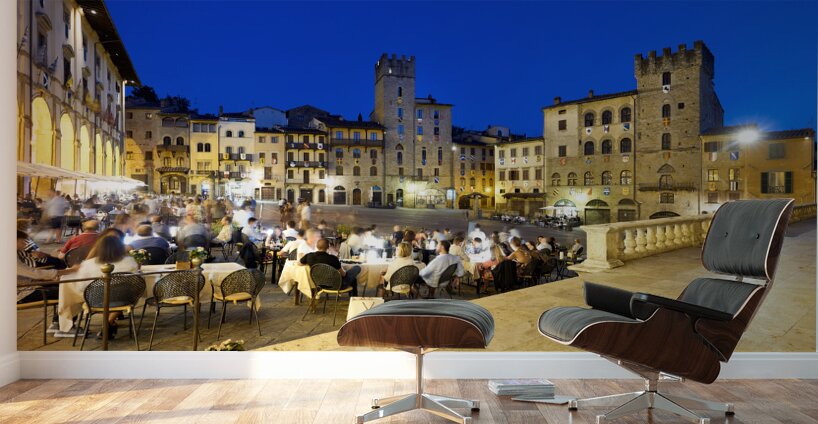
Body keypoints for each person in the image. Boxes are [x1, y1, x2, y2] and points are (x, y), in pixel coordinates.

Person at [58, 231, 139, 337]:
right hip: (123, 299)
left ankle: (107, 323)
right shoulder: (130, 262)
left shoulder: (88, 265)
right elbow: (135, 283)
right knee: (127, 294)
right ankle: (108, 322)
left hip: (95, 301)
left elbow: (82, 287)